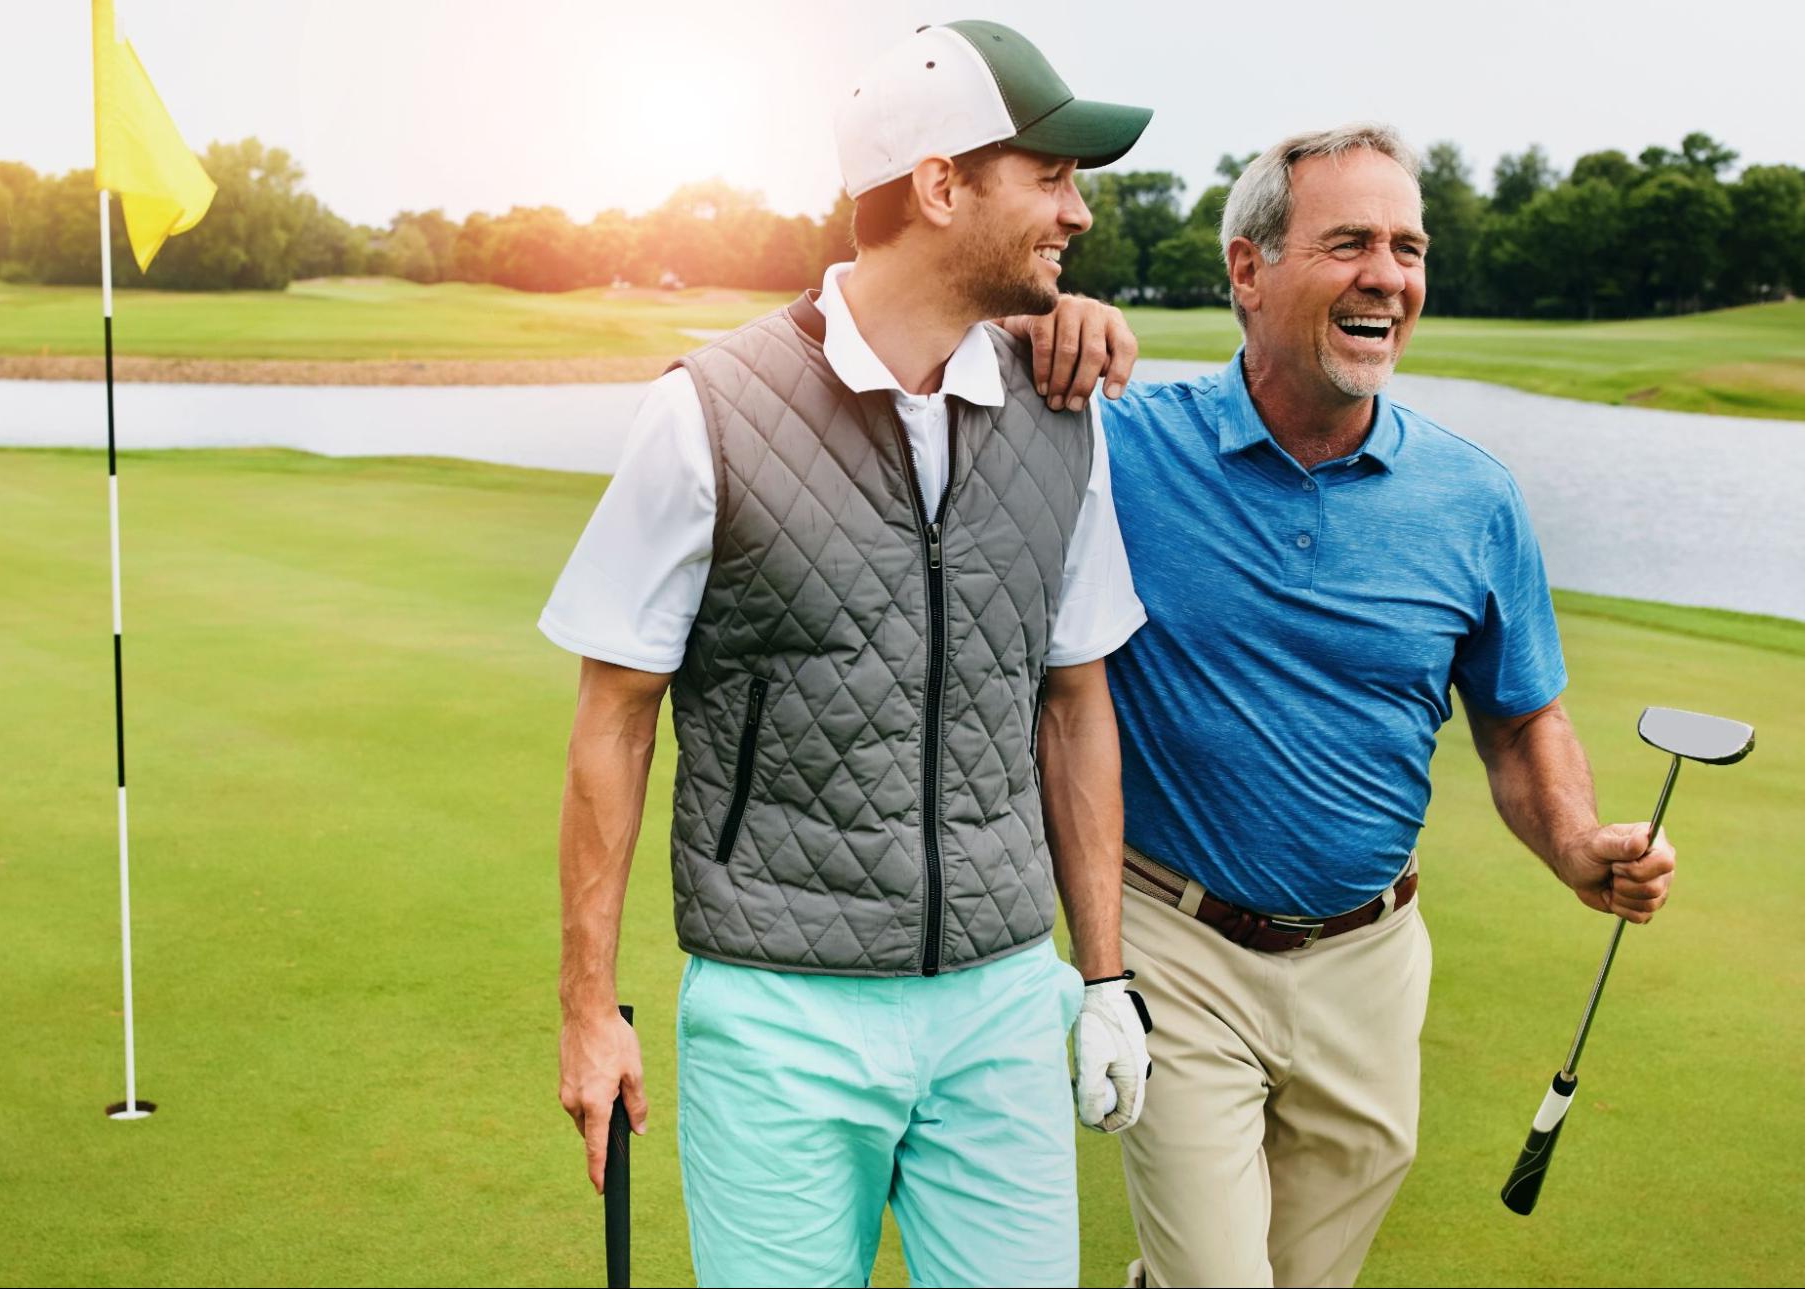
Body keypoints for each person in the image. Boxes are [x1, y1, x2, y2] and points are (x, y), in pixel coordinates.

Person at [541, 21, 1155, 1287]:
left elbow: (1075, 701)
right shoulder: (704, 411)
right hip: (777, 1014)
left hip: (999, 1001)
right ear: (940, 185)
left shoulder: (1062, 414)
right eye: (1049, 175)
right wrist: (587, 1010)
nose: (1077, 211)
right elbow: (613, 718)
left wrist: (1105, 980)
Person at [1088, 124, 1681, 1287]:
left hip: (1372, 954)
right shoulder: (1117, 449)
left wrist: (1574, 841)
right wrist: (1033, 328)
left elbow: (1519, 717)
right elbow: (926, 384)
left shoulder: (1472, 494)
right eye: (1349, 241)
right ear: (1247, 270)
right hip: (1173, 937)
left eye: (1407, 247)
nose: (1387, 276)